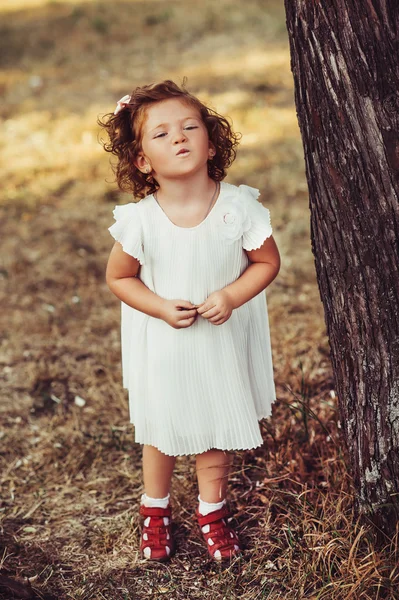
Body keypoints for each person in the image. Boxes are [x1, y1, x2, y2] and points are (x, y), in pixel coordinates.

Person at [98, 80, 281, 563]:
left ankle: (211, 510)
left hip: (219, 344)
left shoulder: (238, 207)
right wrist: (159, 306)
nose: (178, 138)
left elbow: (267, 263)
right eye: (160, 135)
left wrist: (231, 295)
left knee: (216, 427)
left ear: (211, 142)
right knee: (163, 431)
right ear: (141, 160)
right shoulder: (140, 220)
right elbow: (119, 278)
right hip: (166, 346)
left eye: (189, 127)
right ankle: (154, 510)